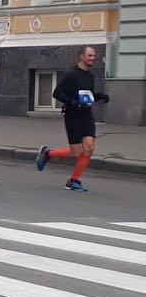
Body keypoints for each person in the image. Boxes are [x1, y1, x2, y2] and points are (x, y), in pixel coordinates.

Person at [35, 46, 109, 192]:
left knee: (89, 148)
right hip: (72, 116)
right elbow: (57, 93)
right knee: (76, 152)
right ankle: (48, 154)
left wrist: (100, 96)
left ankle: (74, 180)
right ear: (81, 56)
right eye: (90, 55)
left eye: (94, 56)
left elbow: (87, 94)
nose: (93, 58)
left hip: (86, 115)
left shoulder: (90, 76)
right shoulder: (71, 74)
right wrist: (73, 103)